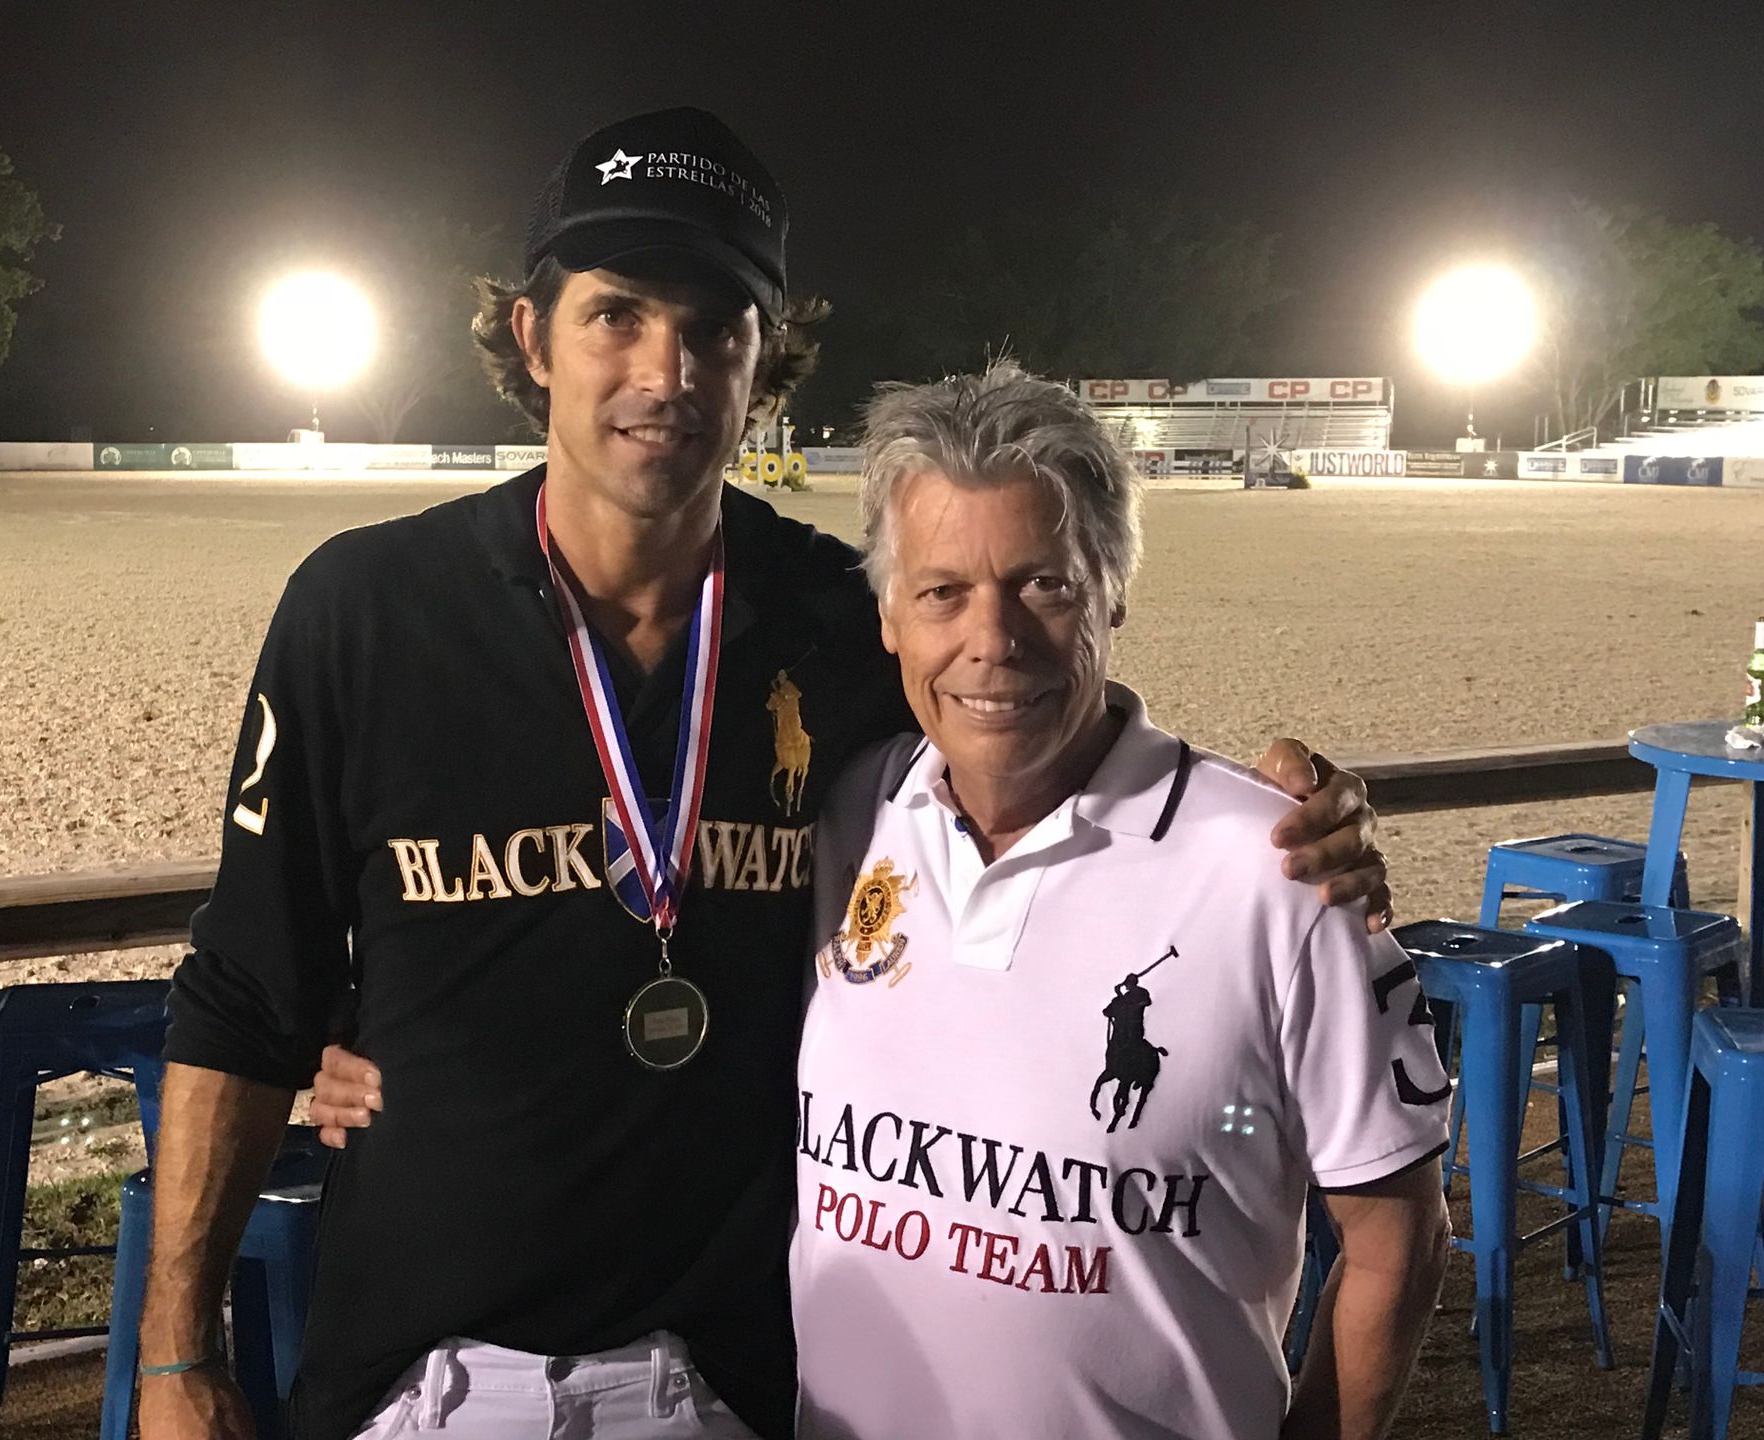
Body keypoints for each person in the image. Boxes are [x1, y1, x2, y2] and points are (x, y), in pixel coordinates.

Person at [150, 107, 1390, 1440]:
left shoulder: (832, 619)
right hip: (422, 1383)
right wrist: (177, 1360)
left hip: (726, 1385)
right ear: (530, 335)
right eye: (616, 315)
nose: (666, 370)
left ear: (767, 359)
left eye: (715, 329)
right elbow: (243, 991)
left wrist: (1286, 812)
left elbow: (1023, 716)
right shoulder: (362, 612)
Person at [787, 364, 1452, 1439]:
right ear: (890, 619)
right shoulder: (846, 819)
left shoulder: (1280, 869)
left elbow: (1396, 1239)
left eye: (1044, 584)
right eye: (942, 591)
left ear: (1114, 590)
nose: (992, 640)